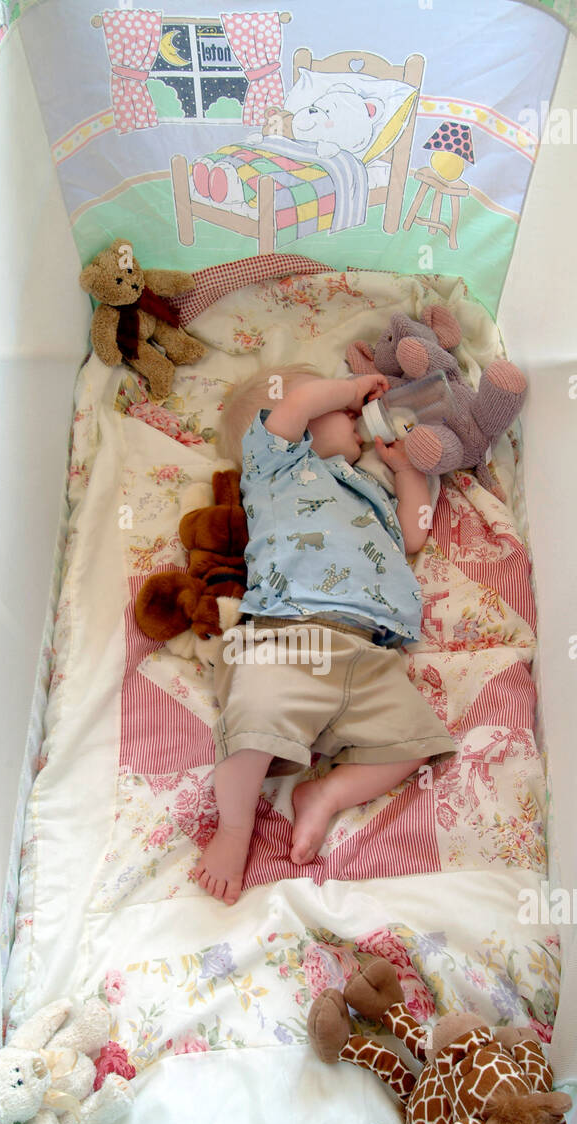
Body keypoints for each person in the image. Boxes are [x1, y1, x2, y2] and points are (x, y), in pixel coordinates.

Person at [192, 365, 455, 904]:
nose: (357, 416)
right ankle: (235, 826)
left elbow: (412, 532)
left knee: (415, 739)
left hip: (369, 651)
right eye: (345, 411)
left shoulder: (365, 488)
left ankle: (327, 794)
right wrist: (349, 388)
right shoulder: (276, 467)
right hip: (291, 636)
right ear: (301, 415)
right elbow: (304, 399)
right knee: (255, 717)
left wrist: (405, 472)